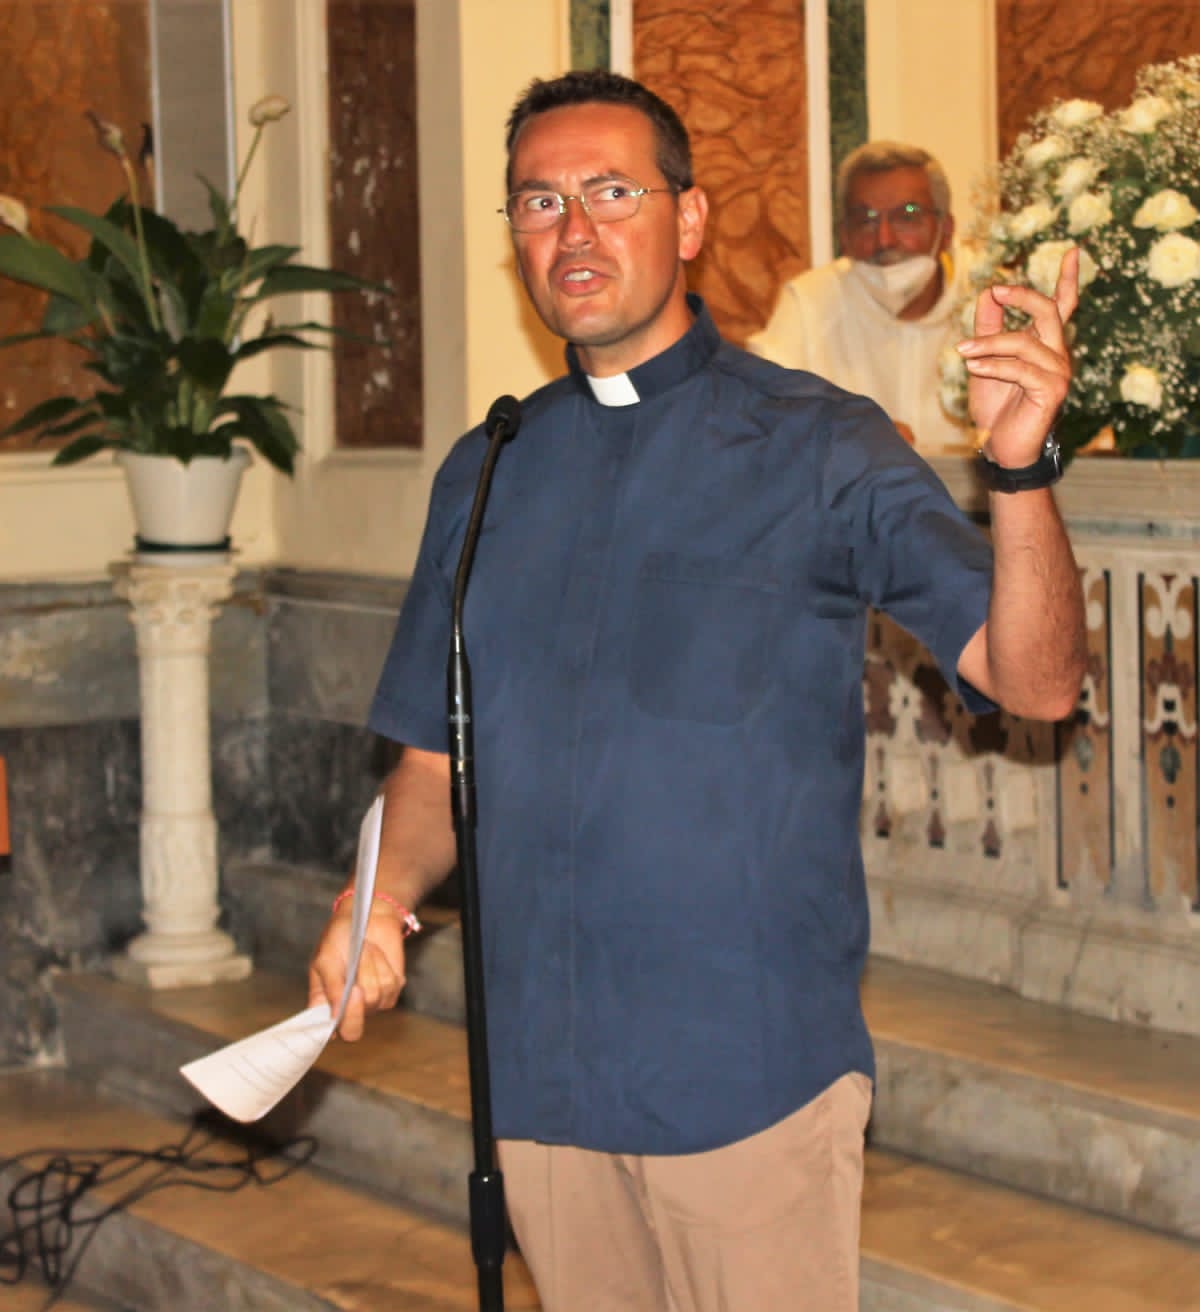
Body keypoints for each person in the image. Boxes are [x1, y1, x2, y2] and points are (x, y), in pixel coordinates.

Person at [306, 69, 1086, 1312]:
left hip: (744, 1073)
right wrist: (379, 900)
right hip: (540, 1076)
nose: (573, 229)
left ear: (689, 217)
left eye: (611, 192)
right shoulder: (488, 467)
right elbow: (432, 763)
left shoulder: (817, 443)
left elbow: (1032, 681)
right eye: (539, 201)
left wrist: (1019, 466)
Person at [749, 140, 967, 450]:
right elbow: (760, 418)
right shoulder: (810, 303)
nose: (884, 239)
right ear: (844, 236)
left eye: (906, 216)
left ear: (945, 230)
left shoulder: (991, 298)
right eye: (866, 220)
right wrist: (849, 431)